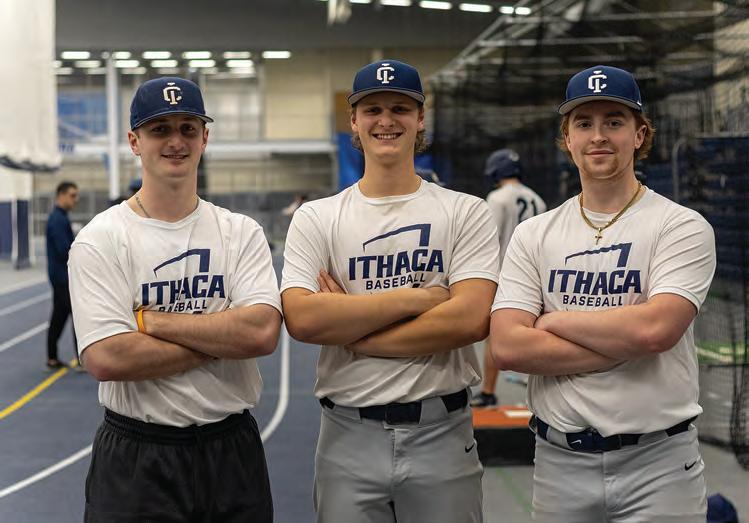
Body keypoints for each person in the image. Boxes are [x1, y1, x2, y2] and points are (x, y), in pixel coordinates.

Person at [489, 65, 716, 522]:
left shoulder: (679, 226)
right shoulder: (535, 234)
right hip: (559, 464)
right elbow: (508, 346)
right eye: (584, 123)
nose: (598, 136)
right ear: (567, 138)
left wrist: (553, 321)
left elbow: (655, 331)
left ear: (639, 134)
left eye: (614, 121)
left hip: (659, 466)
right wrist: (622, 339)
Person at [281, 59, 499, 523]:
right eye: (373, 110)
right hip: (347, 435)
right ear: (353, 121)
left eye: (400, 108)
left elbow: (470, 319)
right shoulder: (317, 217)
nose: (386, 121)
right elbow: (303, 319)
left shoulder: (466, 212)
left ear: (420, 119)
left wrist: (354, 328)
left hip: (442, 432)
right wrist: (418, 299)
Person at [69, 76, 281, 522]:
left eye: (188, 128)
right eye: (160, 129)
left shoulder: (240, 233)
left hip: (231, 452)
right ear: (135, 141)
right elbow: (107, 357)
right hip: (138, 457)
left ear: (205, 138)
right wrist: (222, 337)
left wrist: (152, 322)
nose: (176, 141)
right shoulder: (101, 239)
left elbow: (261, 333)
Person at [471, 149, 546, 407]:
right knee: (534, 334)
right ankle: (535, 394)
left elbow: (488, 241)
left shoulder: (497, 198)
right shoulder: (537, 199)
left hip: (504, 275)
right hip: (534, 276)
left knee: (495, 336)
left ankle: (488, 391)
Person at [46, 181, 80, 369]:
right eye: (72, 195)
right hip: (62, 278)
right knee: (79, 315)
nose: (76, 199)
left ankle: (52, 357)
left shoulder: (60, 217)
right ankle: (83, 359)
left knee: (59, 316)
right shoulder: (58, 220)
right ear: (61, 195)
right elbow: (64, 250)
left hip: (59, 277)